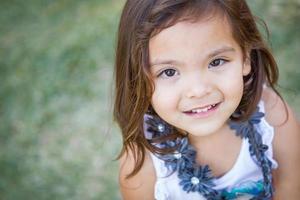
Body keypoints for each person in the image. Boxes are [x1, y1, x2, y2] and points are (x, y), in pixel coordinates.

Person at [113, 0, 300, 199]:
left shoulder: (272, 116)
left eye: (216, 62)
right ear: (138, 78)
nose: (199, 90)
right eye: (169, 72)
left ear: (245, 57)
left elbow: (291, 186)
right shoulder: (143, 166)